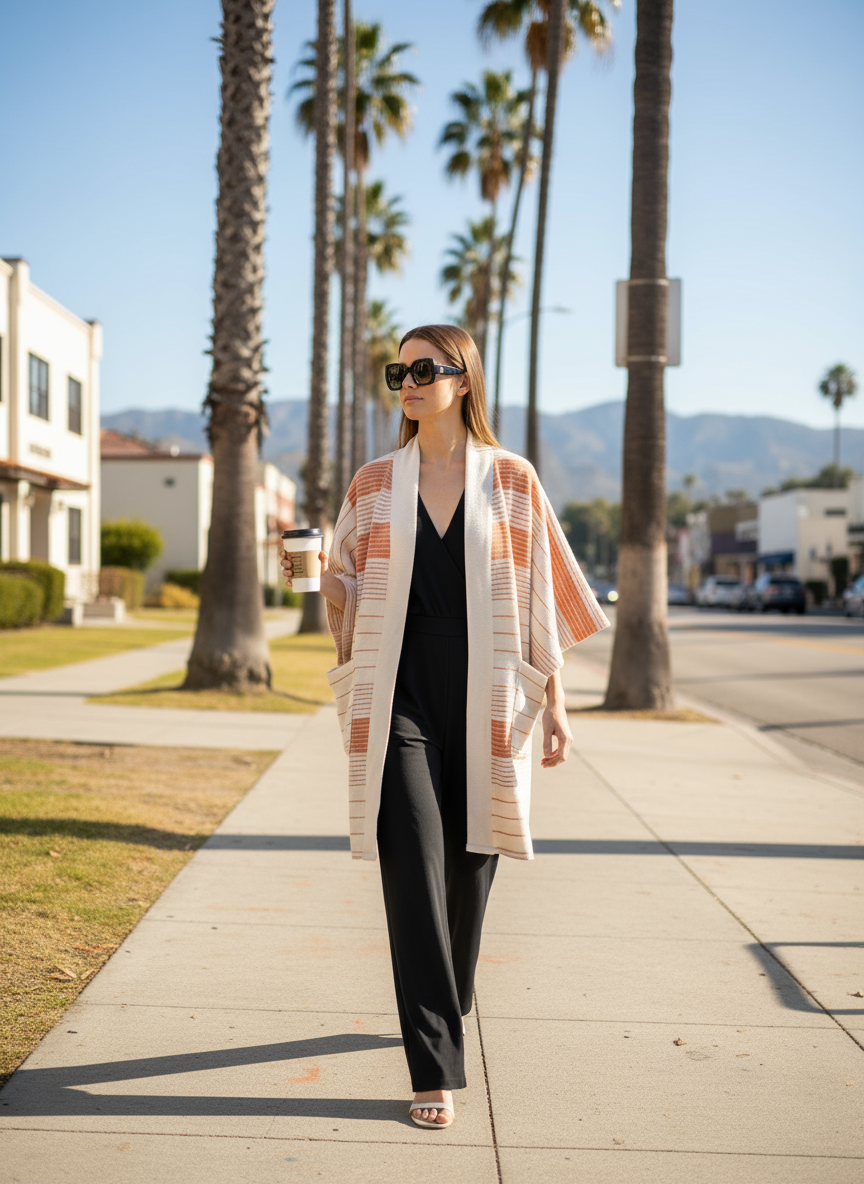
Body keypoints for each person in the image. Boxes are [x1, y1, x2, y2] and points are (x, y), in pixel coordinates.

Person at [280, 324, 608, 1129]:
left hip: (489, 693)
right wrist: (318, 575)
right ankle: (433, 1064)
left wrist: (557, 706)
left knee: (471, 860)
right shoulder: (372, 482)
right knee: (413, 855)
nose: (409, 381)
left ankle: (451, 988)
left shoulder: (513, 481)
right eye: (400, 370)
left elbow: (541, 598)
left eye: (426, 368)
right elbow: (348, 586)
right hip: (397, 693)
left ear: (464, 380)